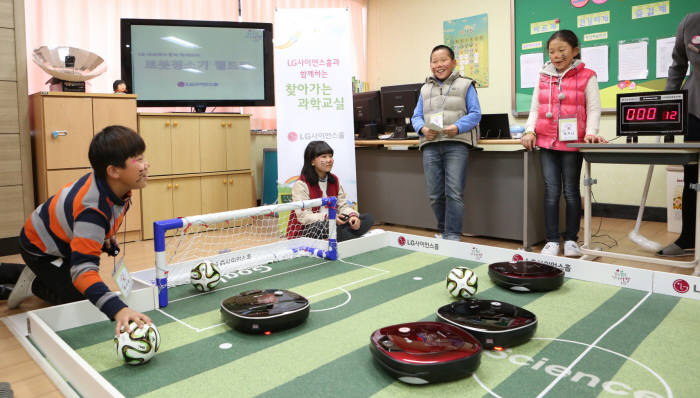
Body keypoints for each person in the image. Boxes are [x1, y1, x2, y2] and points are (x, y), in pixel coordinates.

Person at [1, 125, 152, 335]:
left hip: (60, 240)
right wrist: (119, 309)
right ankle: (33, 281)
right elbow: (82, 272)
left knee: (84, 288)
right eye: (138, 159)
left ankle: (24, 272)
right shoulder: (92, 210)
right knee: (79, 297)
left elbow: (110, 215)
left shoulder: (118, 188)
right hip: (39, 248)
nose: (146, 164)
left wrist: (107, 235)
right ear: (114, 171)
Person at [521, 30, 607, 257]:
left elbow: (594, 108)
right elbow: (535, 109)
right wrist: (529, 130)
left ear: (575, 51)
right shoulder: (543, 76)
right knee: (551, 191)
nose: (556, 55)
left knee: (570, 192)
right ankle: (551, 240)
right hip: (547, 142)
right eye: (552, 51)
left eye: (562, 50)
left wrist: (590, 132)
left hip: (572, 143)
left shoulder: (587, 75)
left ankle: (570, 240)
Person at [411, 44, 481, 241]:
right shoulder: (424, 88)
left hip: (456, 143)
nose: (439, 65)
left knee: (454, 193)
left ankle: (452, 235)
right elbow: (416, 116)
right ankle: (443, 231)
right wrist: (423, 129)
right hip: (430, 145)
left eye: (443, 60)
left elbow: (475, 114)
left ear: (453, 62)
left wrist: (457, 127)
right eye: (434, 61)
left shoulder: (466, 84)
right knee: (434, 195)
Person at [657, 12, 700, 256]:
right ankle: (687, 238)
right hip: (694, 109)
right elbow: (678, 67)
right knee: (692, 178)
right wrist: (666, 108)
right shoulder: (689, 23)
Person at [287, 140, 373, 242]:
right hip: (310, 228)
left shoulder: (334, 180)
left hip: (335, 222)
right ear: (312, 161)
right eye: (324, 157)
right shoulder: (301, 184)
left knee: (367, 218)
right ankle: (348, 236)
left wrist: (352, 217)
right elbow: (304, 217)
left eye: (330, 156)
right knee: (330, 228)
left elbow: (343, 206)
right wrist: (329, 217)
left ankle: (343, 236)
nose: (329, 160)